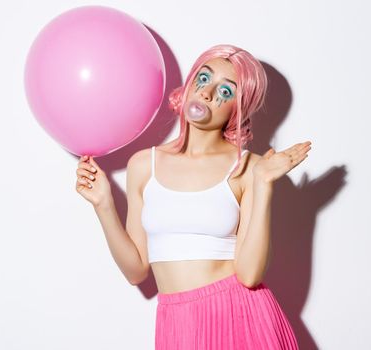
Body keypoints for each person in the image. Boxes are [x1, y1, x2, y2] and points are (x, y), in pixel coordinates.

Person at [75, 44, 311, 349]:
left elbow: (250, 275)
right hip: (176, 323)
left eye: (226, 92)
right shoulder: (144, 165)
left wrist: (263, 183)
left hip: (239, 316)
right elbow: (136, 271)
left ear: (238, 111)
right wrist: (104, 204)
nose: (208, 93)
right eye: (203, 78)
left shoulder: (249, 167)